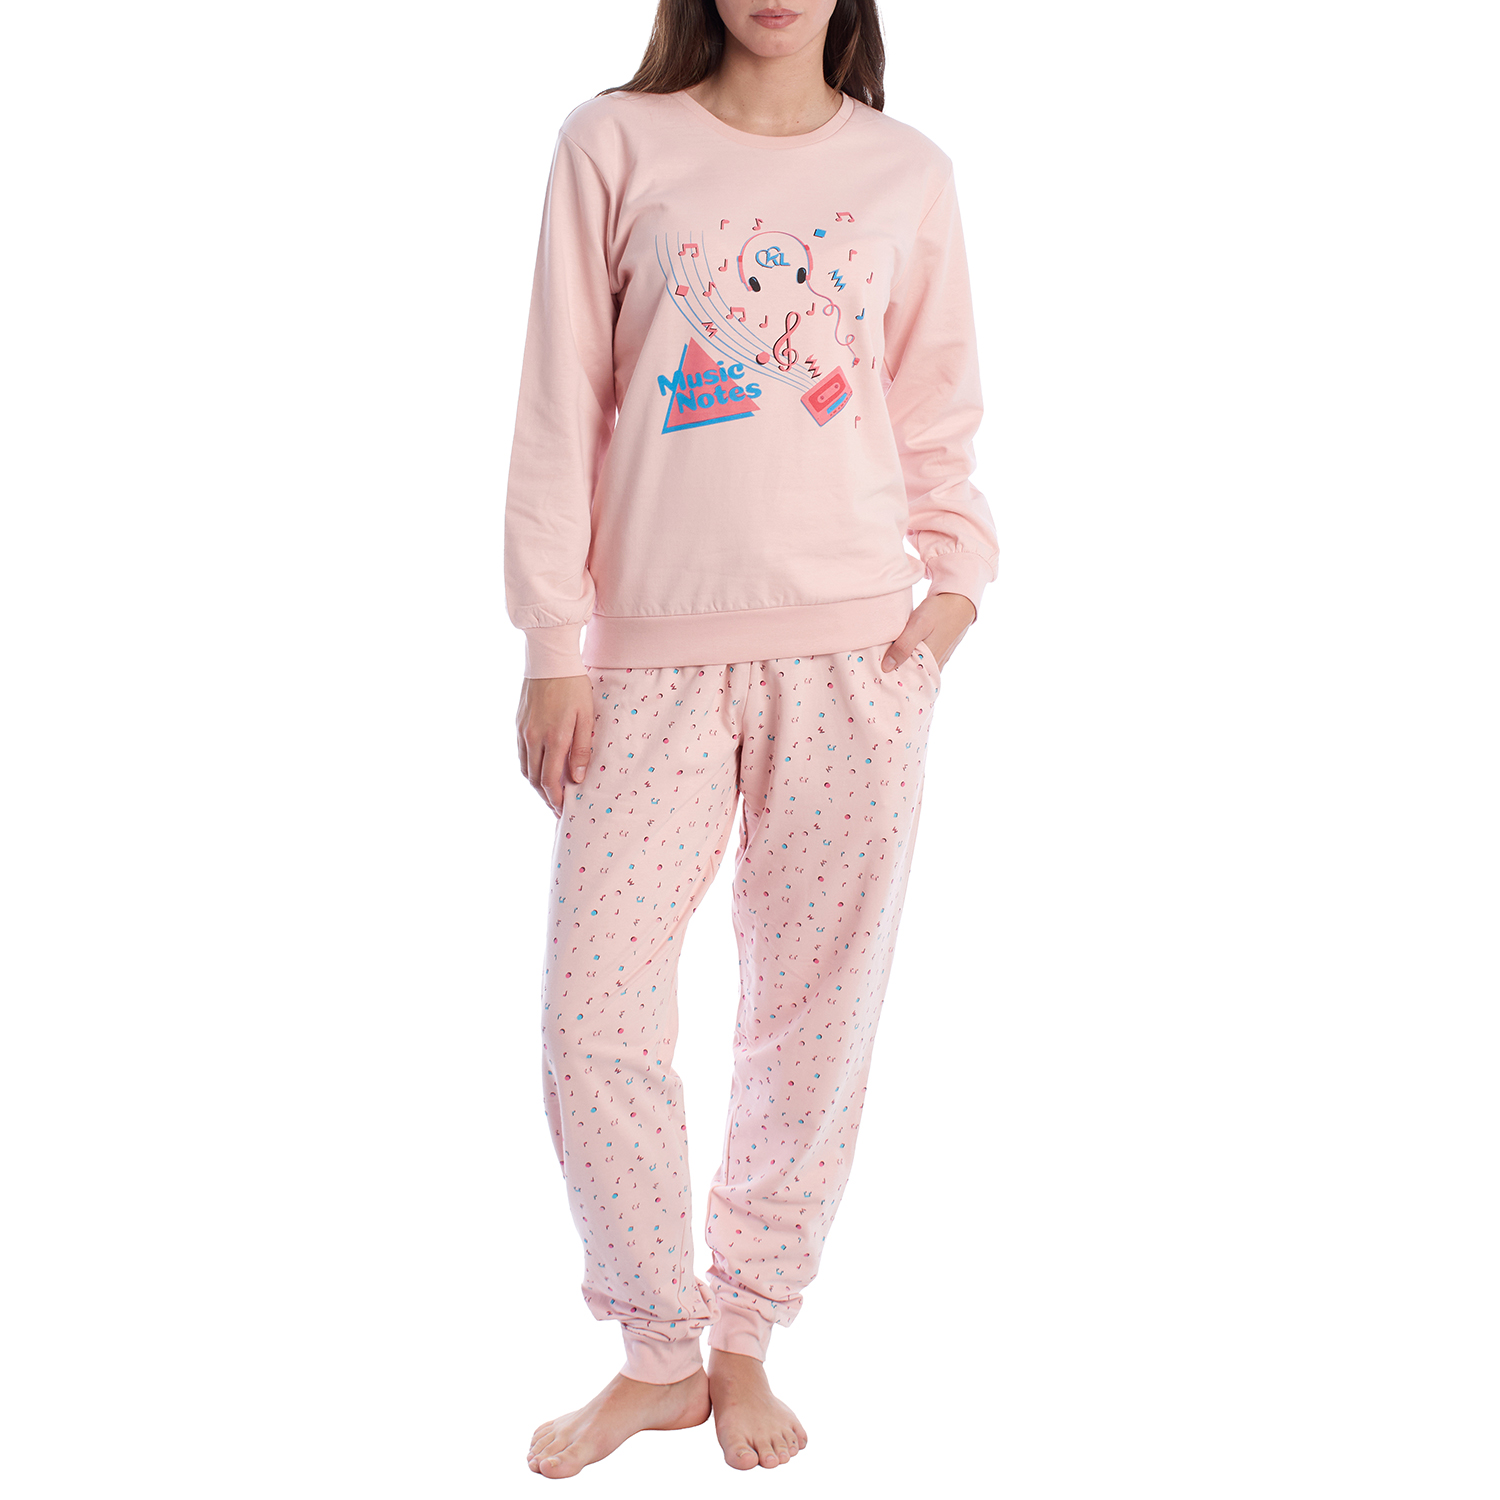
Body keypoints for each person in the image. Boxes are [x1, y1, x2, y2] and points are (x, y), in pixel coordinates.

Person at [506, 0, 997, 1478]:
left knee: (812, 1019)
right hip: (648, 663)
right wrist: (551, 643)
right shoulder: (613, 143)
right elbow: (558, 405)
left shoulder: (907, 172)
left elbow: (938, 411)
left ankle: (746, 1335)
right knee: (595, 1015)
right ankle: (657, 1352)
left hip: (855, 660)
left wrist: (949, 601)